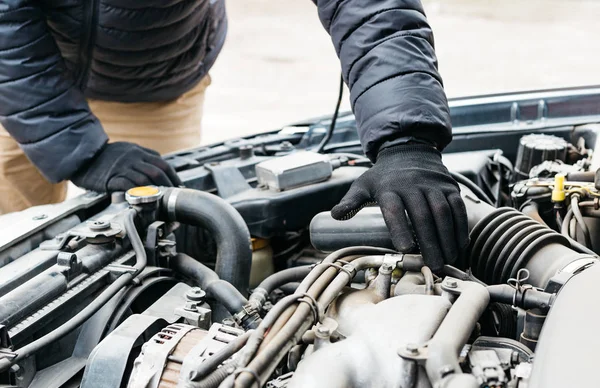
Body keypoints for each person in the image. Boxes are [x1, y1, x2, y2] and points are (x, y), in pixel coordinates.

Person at [0, 0, 467, 272]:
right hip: (16, 81)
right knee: (15, 246)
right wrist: (80, 152)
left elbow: (367, 8)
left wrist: (405, 140)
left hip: (154, 79)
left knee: (153, 239)